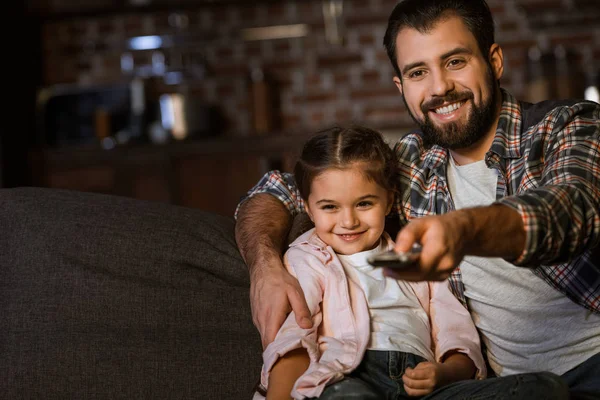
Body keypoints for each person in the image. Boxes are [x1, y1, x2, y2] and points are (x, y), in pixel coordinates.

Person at [235, 0, 600, 398]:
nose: (439, 88)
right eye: (418, 72)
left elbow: (571, 209)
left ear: (494, 61)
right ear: (401, 86)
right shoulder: (412, 163)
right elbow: (284, 188)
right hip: (506, 387)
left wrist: (465, 228)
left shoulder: (568, 125)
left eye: (455, 62)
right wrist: (265, 265)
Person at [256, 125, 486, 400]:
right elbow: (296, 335)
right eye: (330, 207)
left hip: (422, 381)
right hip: (348, 376)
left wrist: (445, 373)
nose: (349, 221)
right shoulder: (307, 257)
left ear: (388, 201)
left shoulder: (415, 256)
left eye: (364, 204)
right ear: (308, 208)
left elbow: (455, 330)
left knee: (537, 388)